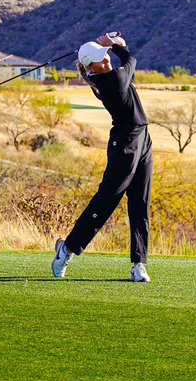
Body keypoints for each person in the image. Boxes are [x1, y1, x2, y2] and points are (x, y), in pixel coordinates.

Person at [52, 32, 153, 283]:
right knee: (107, 200)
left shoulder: (111, 75)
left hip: (143, 140)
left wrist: (109, 44)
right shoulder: (112, 81)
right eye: (100, 59)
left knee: (141, 203)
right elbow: (131, 60)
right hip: (124, 146)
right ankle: (68, 248)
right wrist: (114, 44)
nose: (106, 60)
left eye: (106, 56)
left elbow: (128, 64)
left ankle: (139, 264)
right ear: (90, 68)